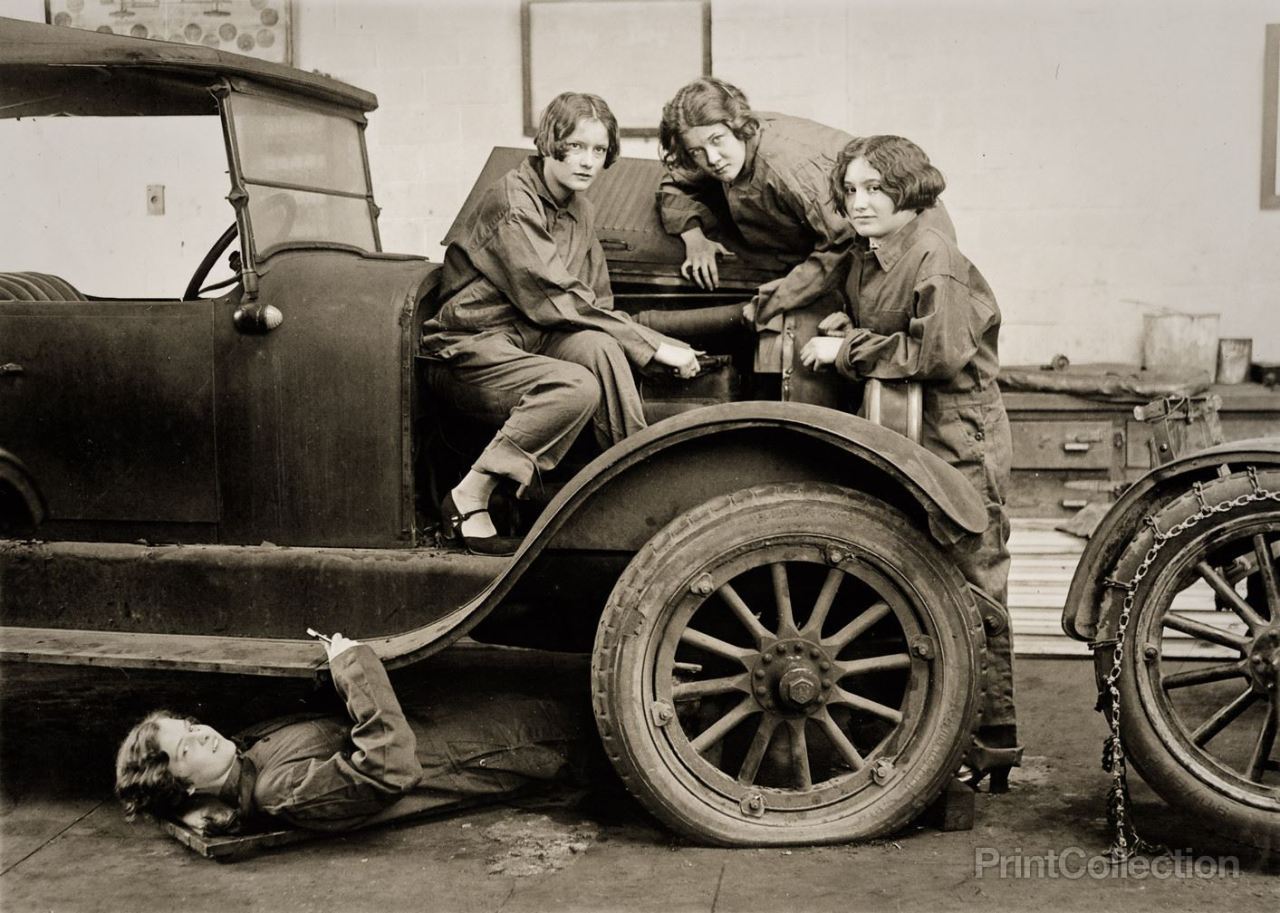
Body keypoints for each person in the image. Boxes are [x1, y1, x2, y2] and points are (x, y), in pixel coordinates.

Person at [799, 135, 1020, 789]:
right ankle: (936, 734)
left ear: (909, 192)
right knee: (918, 577)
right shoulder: (870, 255)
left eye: (875, 189)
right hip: (909, 433)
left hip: (961, 434)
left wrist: (847, 351)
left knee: (974, 577)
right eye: (851, 191)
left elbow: (939, 354)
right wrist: (841, 317)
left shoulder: (934, 256)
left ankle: (993, 739)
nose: (859, 203)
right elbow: (865, 308)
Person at [423, 92, 699, 555]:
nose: (588, 161)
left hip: (532, 338)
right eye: (576, 146)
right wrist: (652, 345)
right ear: (550, 142)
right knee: (575, 386)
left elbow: (595, 302)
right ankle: (470, 493)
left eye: (598, 150)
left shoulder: (580, 208)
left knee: (600, 348)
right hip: (470, 346)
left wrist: (639, 345)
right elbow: (550, 294)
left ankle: (635, 487)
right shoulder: (512, 201)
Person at [114, 633, 594, 835]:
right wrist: (351, 664)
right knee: (591, 719)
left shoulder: (245, 754)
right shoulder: (273, 790)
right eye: (185, 747)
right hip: (506, 747)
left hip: (466, 728)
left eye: (192, 727)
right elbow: (389, 769)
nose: (202, 735)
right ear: (185, 786)